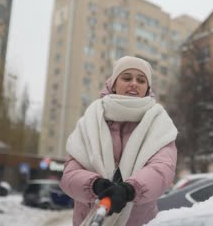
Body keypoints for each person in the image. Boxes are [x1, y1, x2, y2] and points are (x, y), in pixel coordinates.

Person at [60, 56, 178, 226]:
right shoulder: (90, 121)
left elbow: (162, 170)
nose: (134, 83)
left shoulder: (160, 124)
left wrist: (129, 190)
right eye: (127, 78)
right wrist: (95, 185)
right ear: (113, 84)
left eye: (141, 80)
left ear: (147, 88)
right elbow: (70, 175)